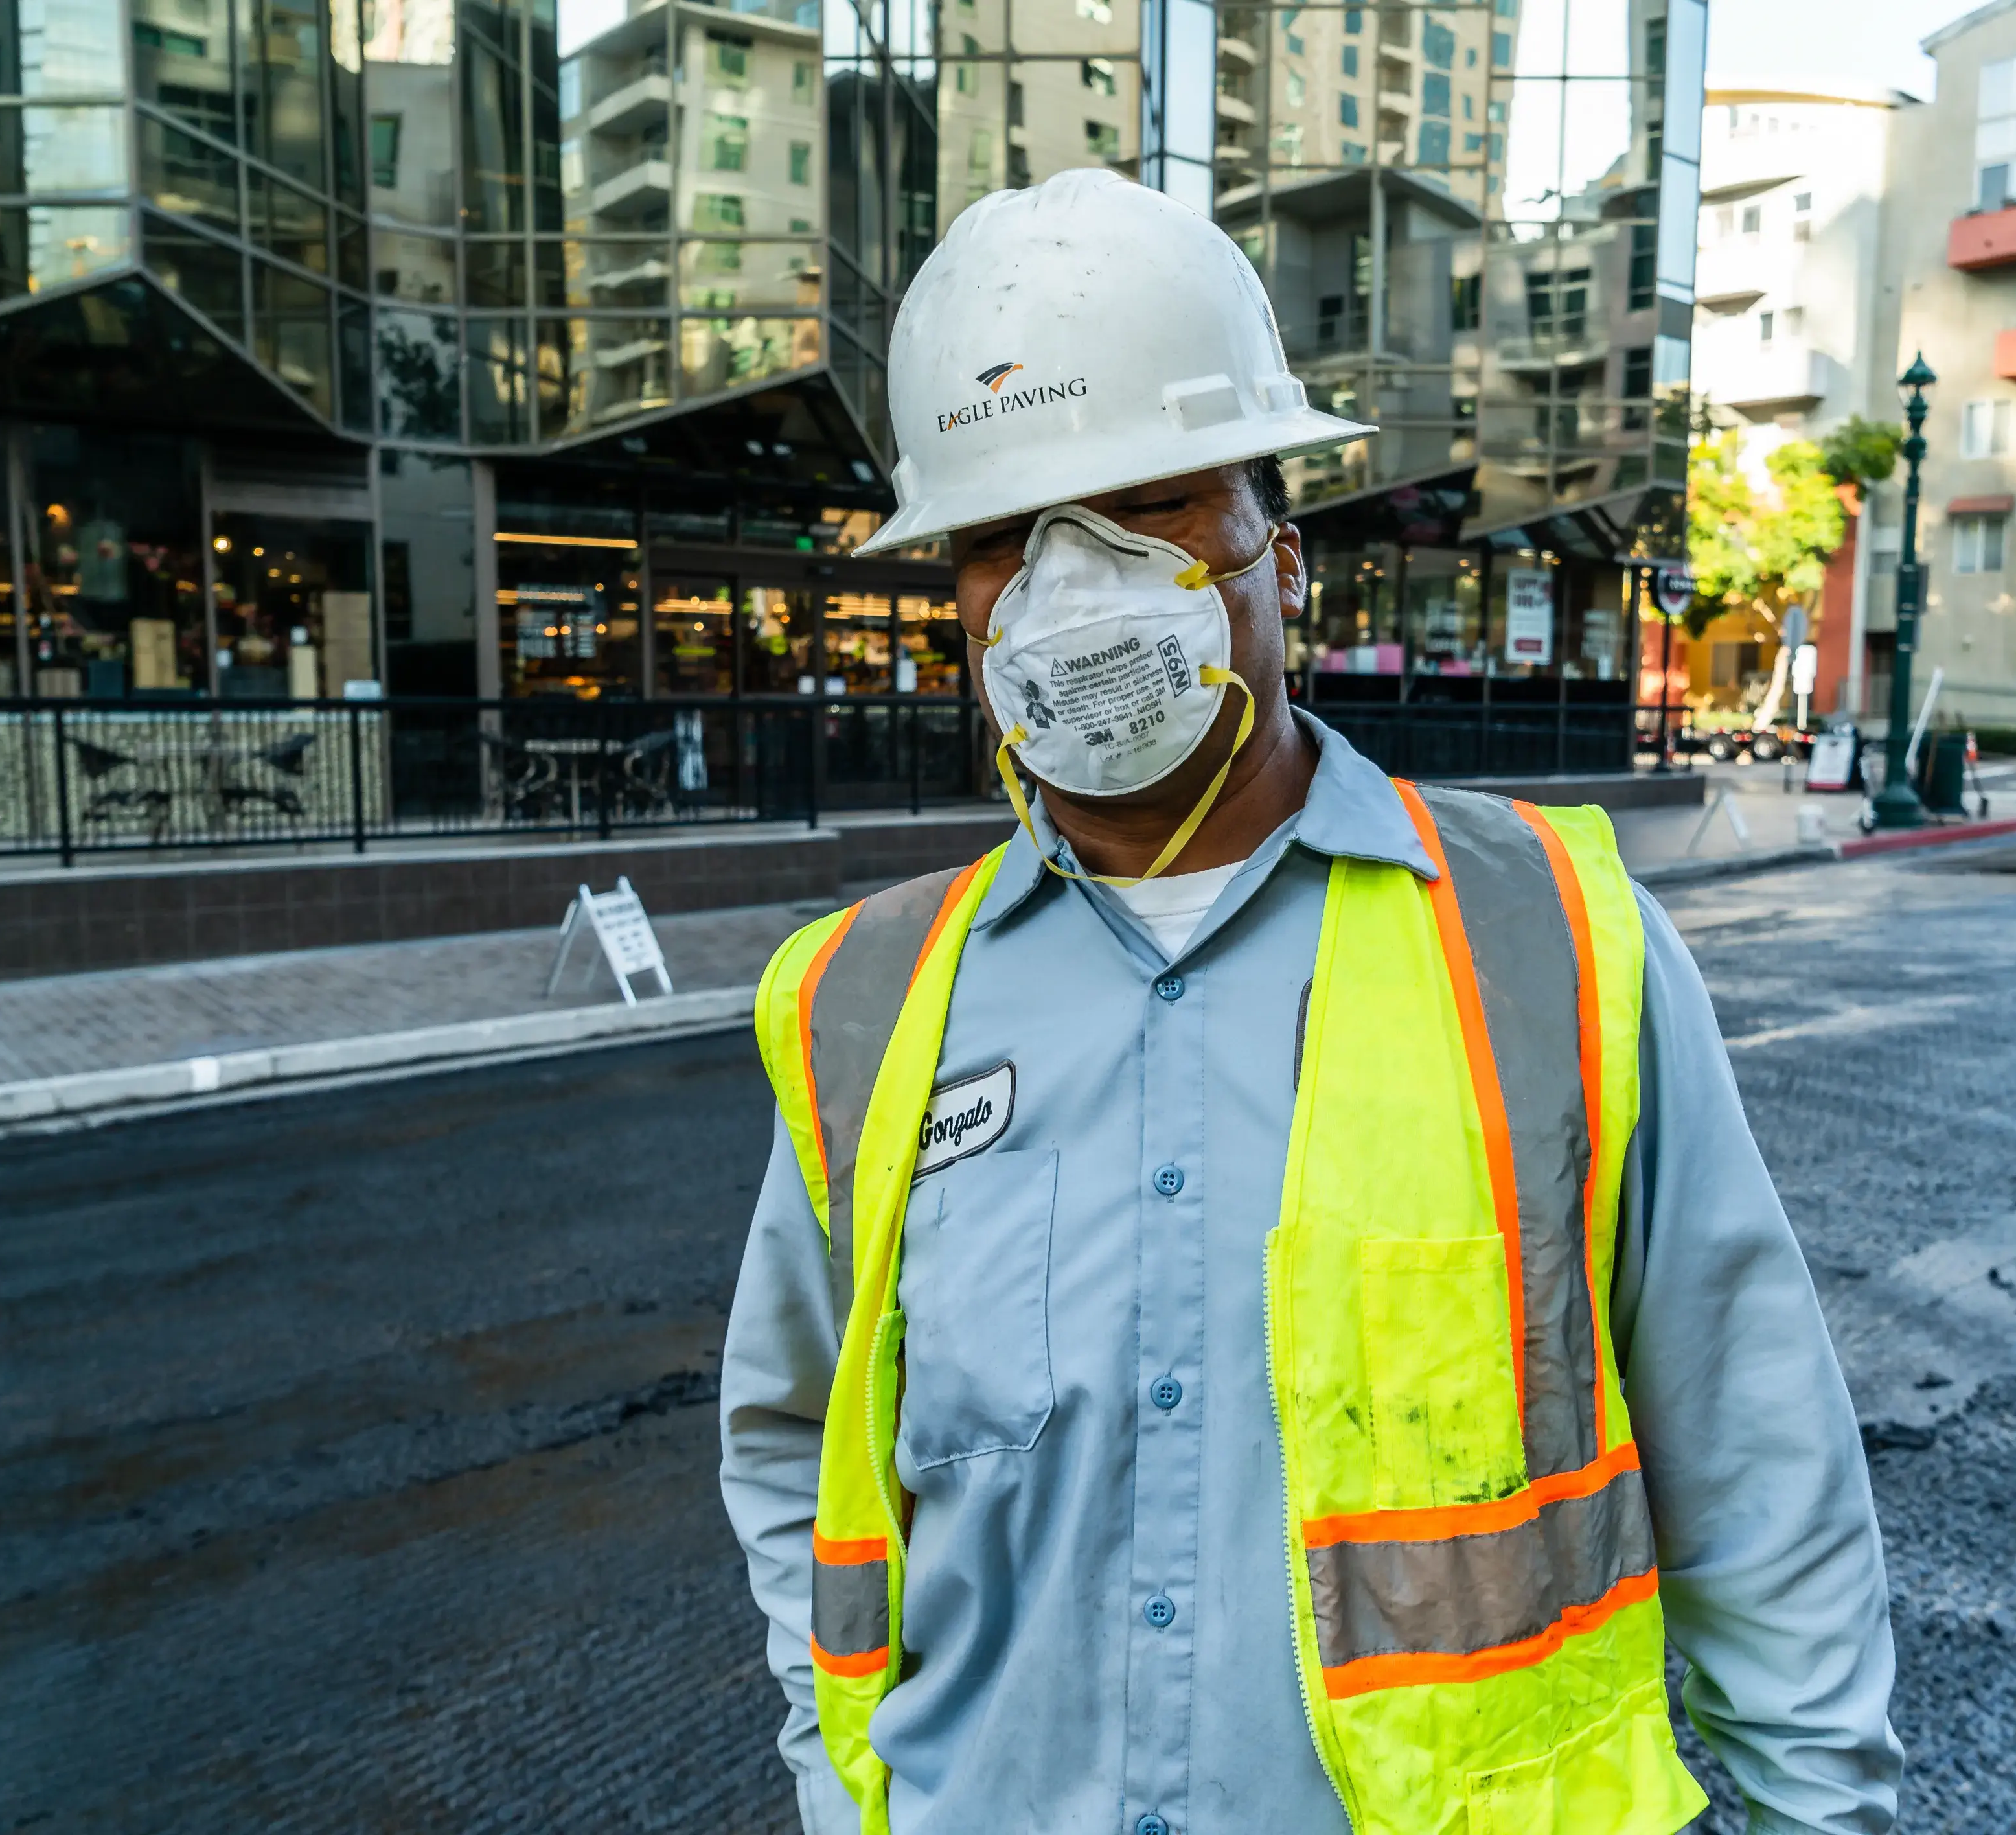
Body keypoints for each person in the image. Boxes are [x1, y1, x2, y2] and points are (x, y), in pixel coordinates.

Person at [718, 170, 1901, 1835]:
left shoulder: (1549, 945)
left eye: (1147, 505)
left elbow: (1756, 1461)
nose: (1073, 583)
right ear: (960, 602)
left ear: (1280, 551)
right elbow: (796, 1460)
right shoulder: (862, 1005)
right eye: (1004, 539)